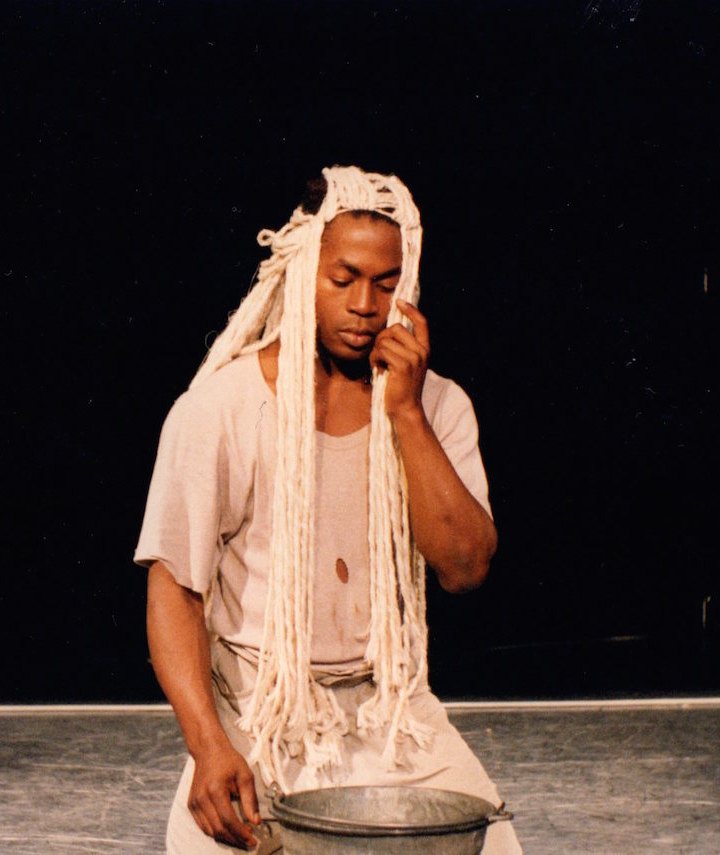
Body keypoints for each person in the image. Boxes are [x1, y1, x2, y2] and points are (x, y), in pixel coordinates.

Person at [135, 166, 521, 854]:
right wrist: (208, 745)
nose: (365, 305)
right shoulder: (220, 408)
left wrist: (405, 412)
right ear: (301, 271)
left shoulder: (437, 405)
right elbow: (175, 590)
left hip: (389, 714)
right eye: (343, 279)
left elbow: (465, 568)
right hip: (259, 712)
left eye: (386, 283)